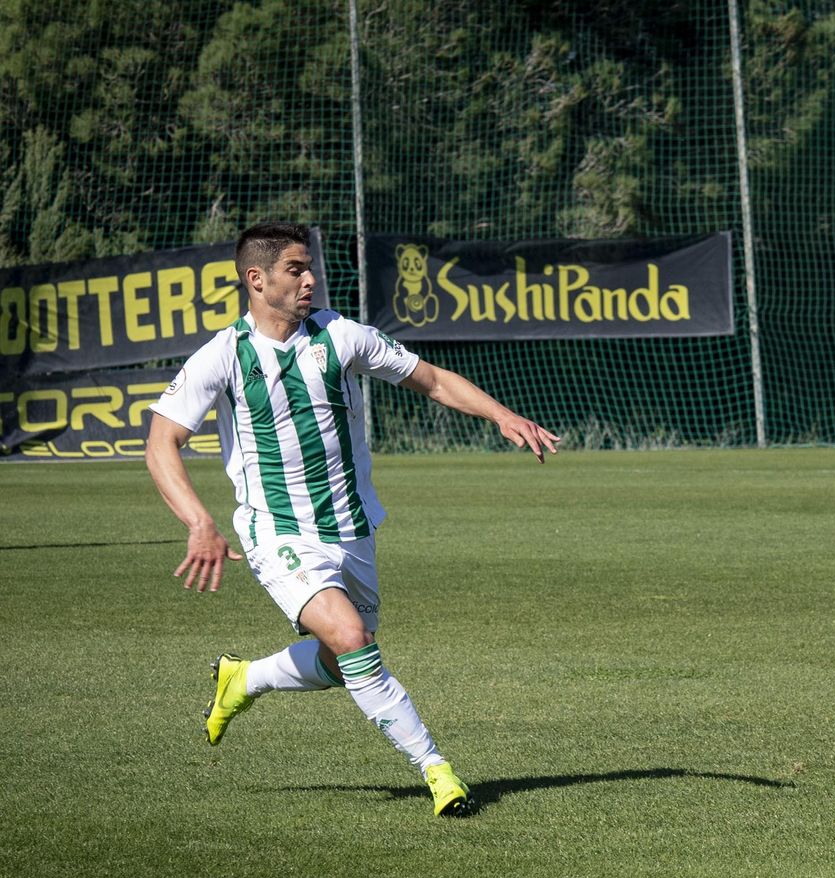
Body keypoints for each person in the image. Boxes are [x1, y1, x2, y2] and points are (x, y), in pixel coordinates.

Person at [146, 221, 560, 817]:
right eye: (296, 269)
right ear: (256, 280)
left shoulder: (342, 336)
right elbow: (162, 443)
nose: (311, 278)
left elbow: (434, 380)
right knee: (348, 638)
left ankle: (245, 679)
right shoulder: (224, 355)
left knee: (347, 660)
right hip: (276, 529)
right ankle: (439, 773)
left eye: (310, 267)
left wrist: (501, 416)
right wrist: (198, 522)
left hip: (352, 528)